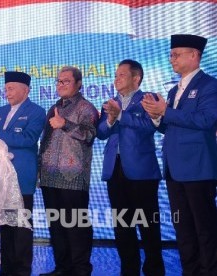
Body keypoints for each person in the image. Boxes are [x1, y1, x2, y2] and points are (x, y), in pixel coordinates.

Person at [142, 34, 217, 275]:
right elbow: (169, 125)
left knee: (204, 228)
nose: (171, 58)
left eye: (176, 54)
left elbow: (206, 120)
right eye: (171, 54)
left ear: (194, 55)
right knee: (182, 228)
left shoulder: (209, 85)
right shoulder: (174, 89)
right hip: (174, 168)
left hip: (198, 167)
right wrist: (156, 117)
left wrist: (166, 111)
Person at [97, 60, 164, 276]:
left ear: (136, 78)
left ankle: (154, 271)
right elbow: (100, 132)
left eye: (122, 75)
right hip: (115, 171)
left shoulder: (148, 100)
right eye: (115, 75)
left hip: (142, 172)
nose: (116, 79)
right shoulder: (110, 102)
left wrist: (121, 116)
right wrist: (109, 119)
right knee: (123, 227)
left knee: (148, 227)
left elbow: (149, 127)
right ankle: (129, 270)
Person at [0, 71, 46, 276]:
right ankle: (6, 269)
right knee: (6, 225)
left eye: (11, 88)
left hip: (21, 176)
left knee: (21, 226)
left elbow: (27, 139)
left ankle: (22, 270)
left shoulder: (37, 111)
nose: (6, 92)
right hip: (1, 177)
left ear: (25, 90)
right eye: (6, 88)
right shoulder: (1, 110)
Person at [38, 66, 98, 276]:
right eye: (58, 81)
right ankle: (62, 268)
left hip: (72, 178)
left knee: (76, 228)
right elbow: (44, 142)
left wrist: (65, 124)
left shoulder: (86, 108)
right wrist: (40, 171)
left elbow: (90, 135)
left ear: (78, 84)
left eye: (66, 81)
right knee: (56, 228)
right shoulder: (53, 107)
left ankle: (81, 270)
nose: (60, 85)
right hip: (49, 177)